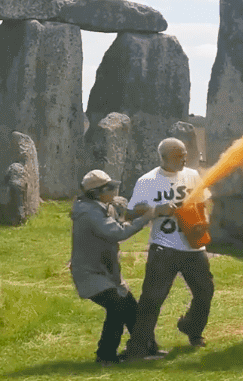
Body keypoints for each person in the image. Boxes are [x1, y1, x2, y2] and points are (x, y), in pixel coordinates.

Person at [123, 138, 214, 360]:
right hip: (164, 248)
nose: (184, 159)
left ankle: (192, 328)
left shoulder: (192, 175)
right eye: (178, 156)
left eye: (184, 155)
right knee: (152, 299)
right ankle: (138, 347)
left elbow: (204, 202)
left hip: (193, 247)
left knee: (205, 292)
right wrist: (156, 209)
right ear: (163, 158)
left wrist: (204, 221)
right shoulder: (147, 181)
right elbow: (130, 213)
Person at [69, 169, 154, 366]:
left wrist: (138, 210)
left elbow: (120, 215)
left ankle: (146, 349)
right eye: (110, 187)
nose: (114, 190)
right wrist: (147, 217)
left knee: (131, 308)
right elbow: (117, 232)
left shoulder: (101, 206)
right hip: (90, 274)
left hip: (107, 272)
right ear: (97, 193)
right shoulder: (89, 212)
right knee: (117, 307)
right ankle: (105, 356)